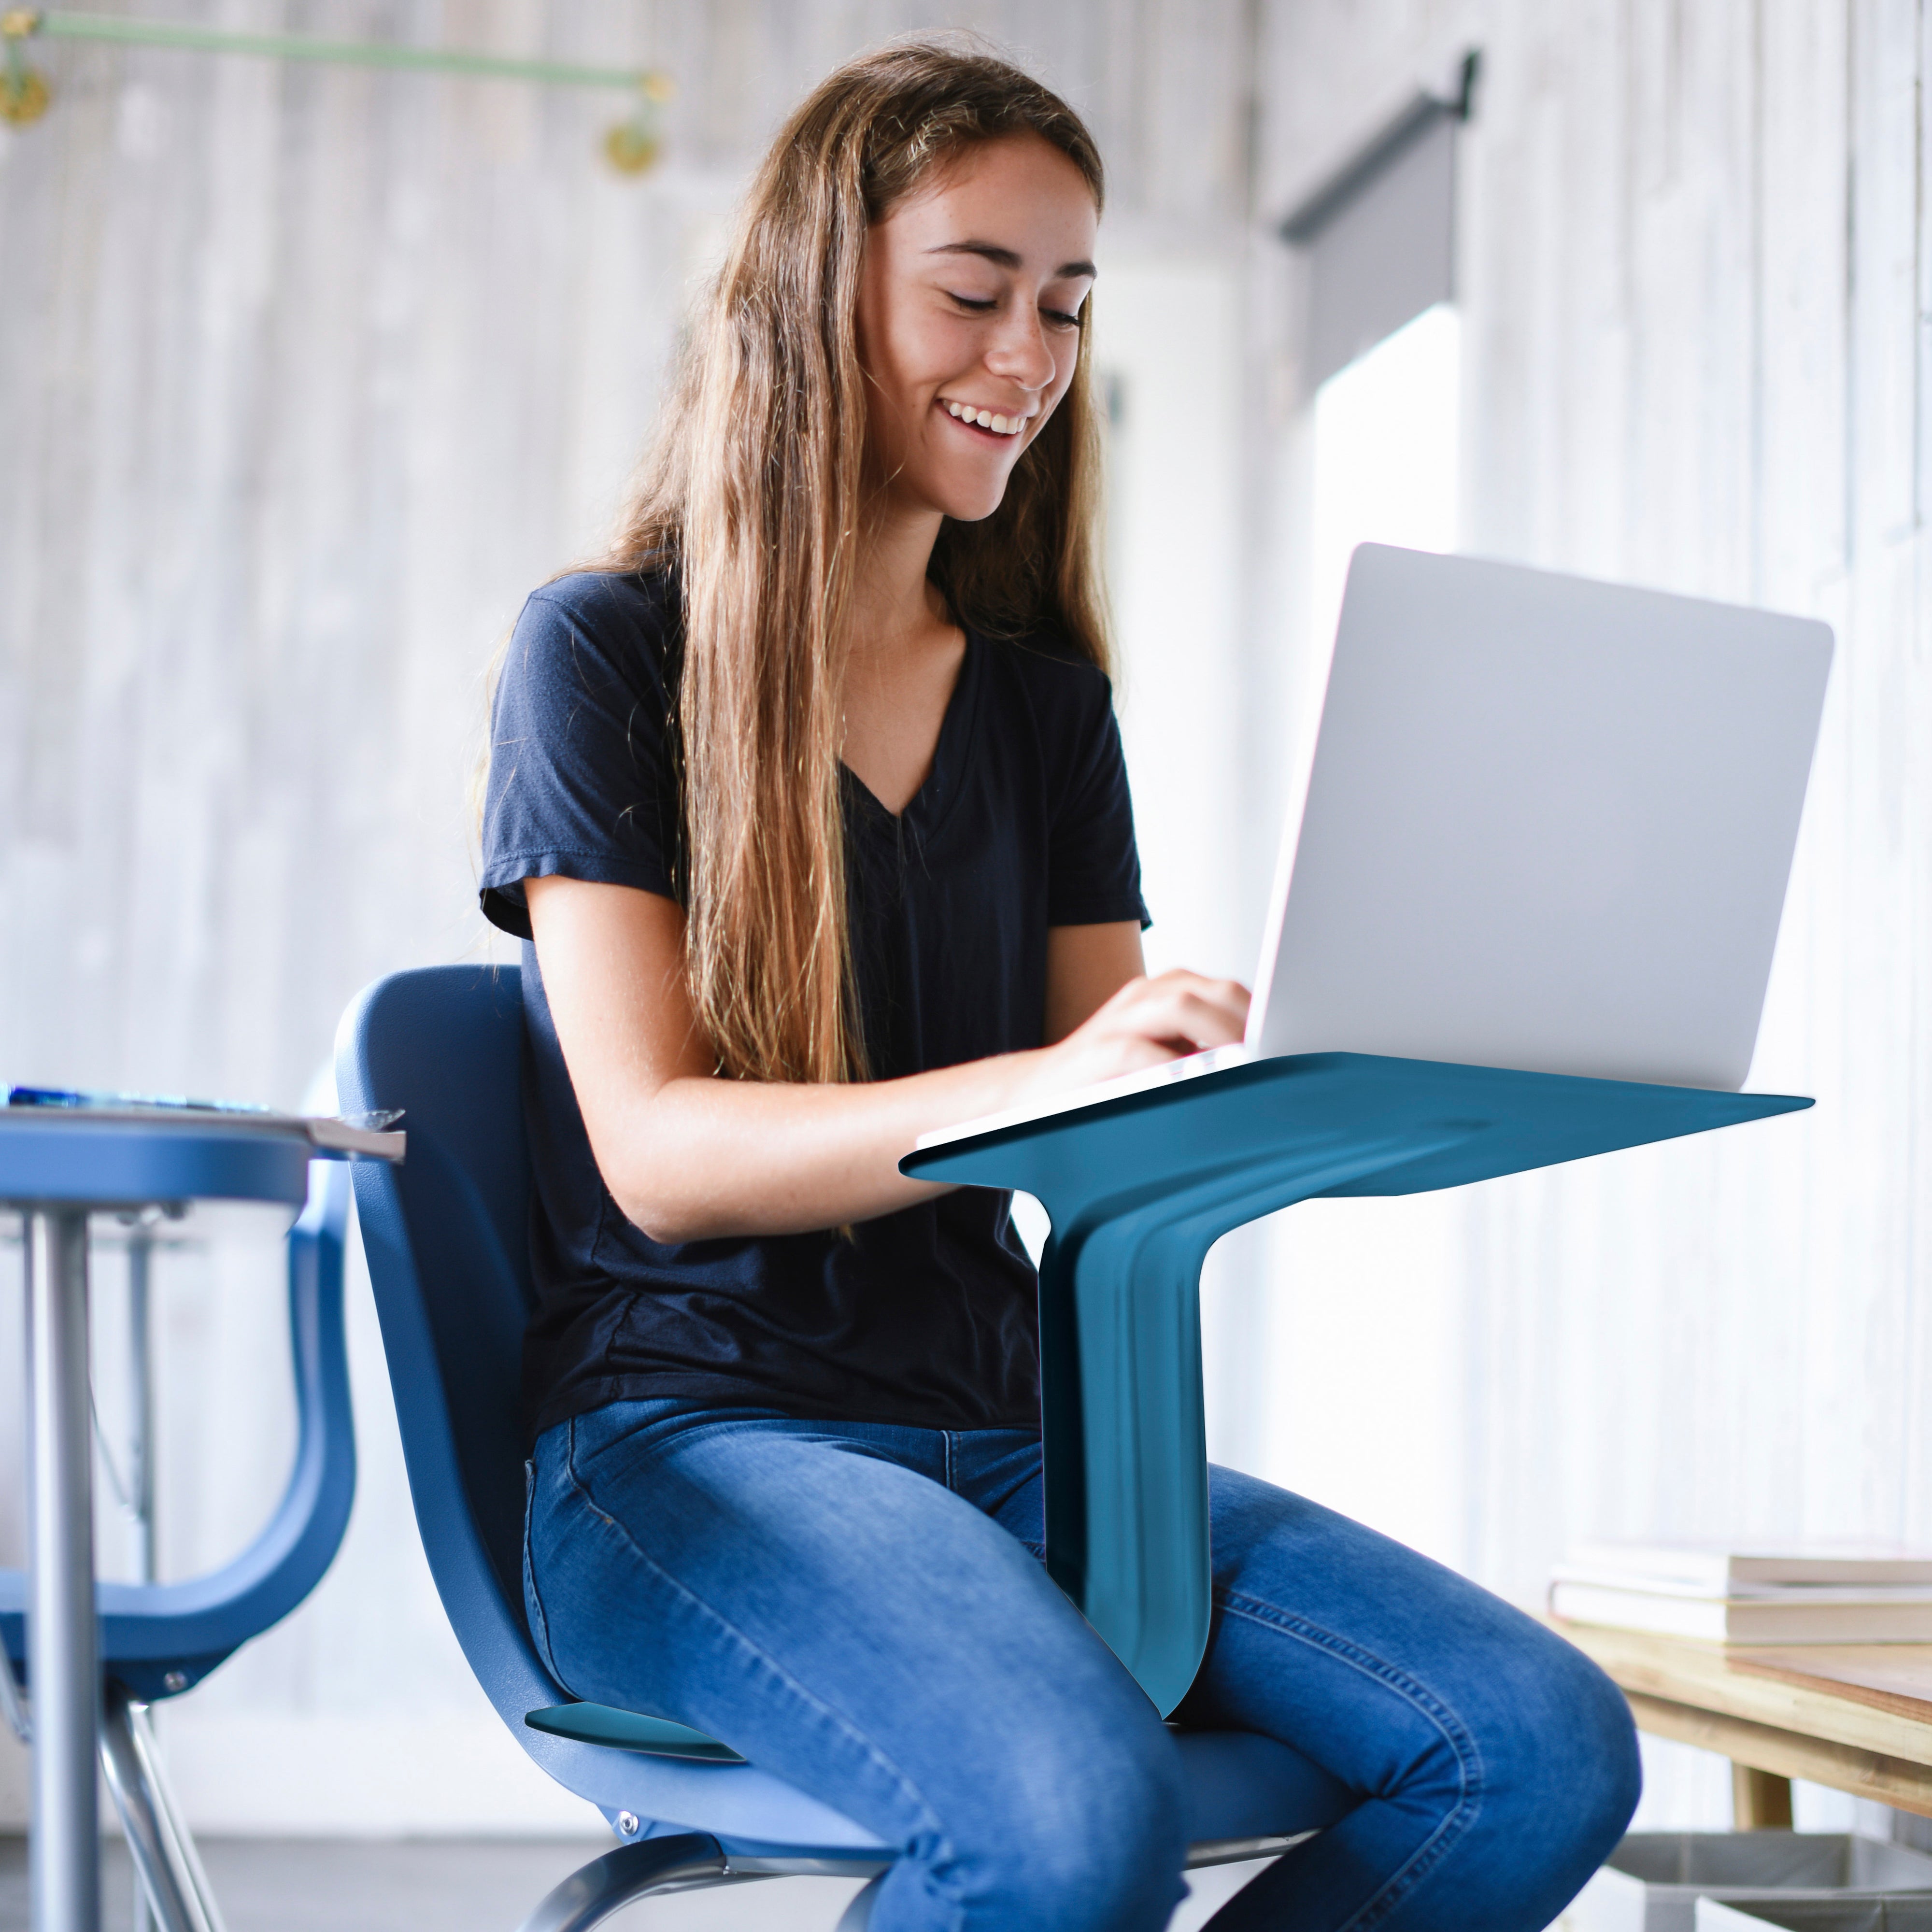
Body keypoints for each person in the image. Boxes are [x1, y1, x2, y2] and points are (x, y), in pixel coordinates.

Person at [479, 38, 1639, 1932]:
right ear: (814, 288)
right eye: (972, 292)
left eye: (1067, 308)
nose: (1026, 360)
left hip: (1016, 1433)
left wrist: (1313, 1081)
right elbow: (662, 1155)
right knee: (1069, 1816)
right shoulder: (603, 651)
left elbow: (1107, 1129)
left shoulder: (1040, 706)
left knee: (1539, 1743)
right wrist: (1045, 1077)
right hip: (694, 1437)